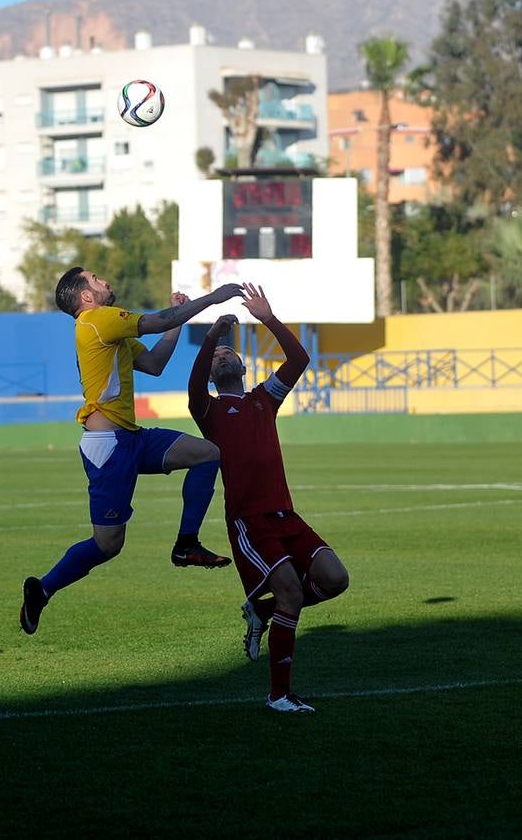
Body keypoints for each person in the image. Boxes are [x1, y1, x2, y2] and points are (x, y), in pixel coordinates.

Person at [19, 268, 244, 634]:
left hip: (131, 439)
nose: (105, 281)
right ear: (86, 297)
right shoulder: (98, 320)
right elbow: (156, 321)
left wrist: (175, 320)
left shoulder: (108, 328)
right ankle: (42, 590)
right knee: (108, 545)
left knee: (207, 453)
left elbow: (154, 365)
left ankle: (187, 544)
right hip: (108, 449)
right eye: (96, 279)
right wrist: (212, 299)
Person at [187, 285, 350, 714]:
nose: (223, 357)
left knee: (336, 579)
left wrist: (268, 319)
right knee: (292, 595)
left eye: (227, 354)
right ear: (210, 373)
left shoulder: (264, 398)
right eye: (216, 358)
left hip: (286, 516)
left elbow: (299, 360)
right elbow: (192, 388)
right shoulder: (210, 412)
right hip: (249, 523)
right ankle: (279, 695)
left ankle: (263, 611)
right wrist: (210, 336)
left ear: (242, 364)